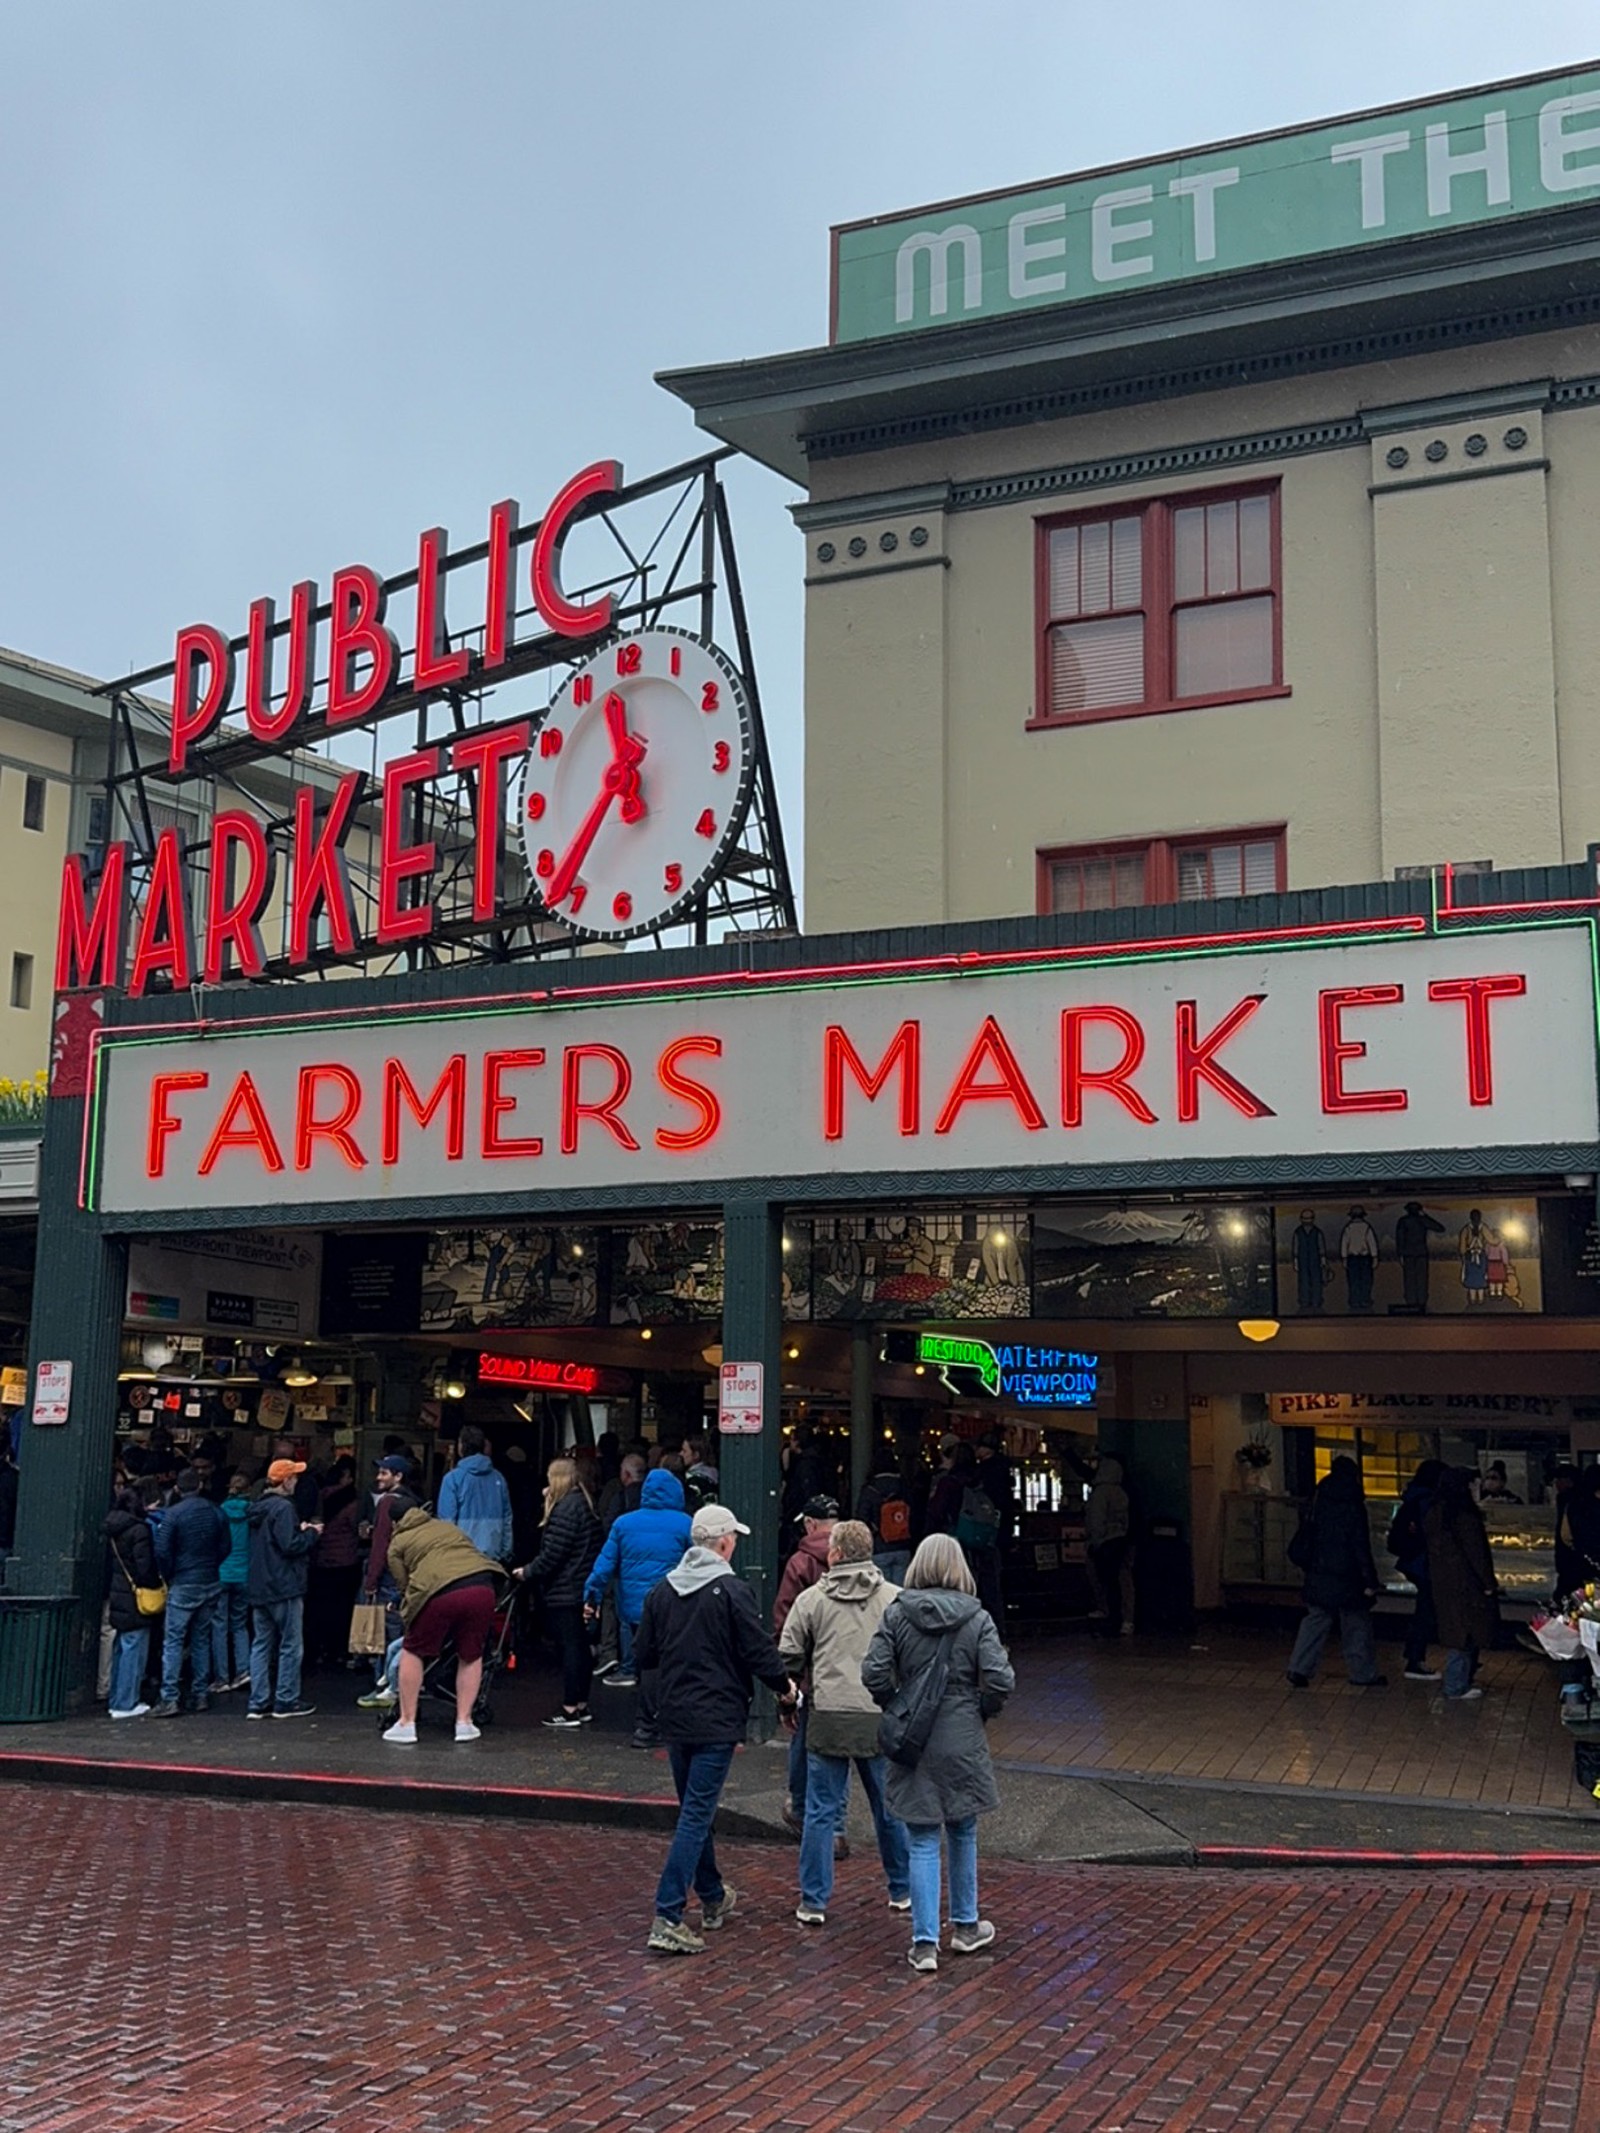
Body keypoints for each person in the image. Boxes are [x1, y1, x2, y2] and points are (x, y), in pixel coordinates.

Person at [635, 1503, 794, 1955]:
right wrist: (785, 1689)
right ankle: (668, 1912)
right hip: (717, 1717)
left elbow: (644, 1653)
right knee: (696, 1813)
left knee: (694, 1807)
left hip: (676, 1716)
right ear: (723, 1542)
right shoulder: (731, 1590)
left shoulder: (662, 1591)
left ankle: (712, 1895)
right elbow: (757, 1652)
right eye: (734, 1539)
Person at [861, 1533, 1014, 1975]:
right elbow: (1001, 1680)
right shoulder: (977, 1617)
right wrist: (981, 1708)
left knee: (922, 1838)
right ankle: (966, 1926)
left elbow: (872, 1672)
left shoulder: (897, 1614)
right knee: (963, 1829)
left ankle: (924, 1943)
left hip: (913, 1737)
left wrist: (896, 1704)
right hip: (962, 1732)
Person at [777, 1519, 909, 1926]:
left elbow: (789, 1655)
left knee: (820, 1811)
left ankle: (814, 1901)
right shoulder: (895, 1598)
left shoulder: (813, 1600)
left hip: (828, 1715)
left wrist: (791, 1699)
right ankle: (902, 1889)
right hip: (878, 1716)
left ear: (834, 1554)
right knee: (888, 1809)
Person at [380, 1504, 508, 1745]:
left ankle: (407, 1723)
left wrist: (409, 1616)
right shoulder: (448, 1528)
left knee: (413, 1650)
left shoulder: (397, 1543)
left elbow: (405, 1585)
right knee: (471, 1654)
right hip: (481, 1586)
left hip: (438, 1592)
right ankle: (464, 1722)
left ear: (395, 1523)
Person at [584, 1467, 692, 1739]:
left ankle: (646, 1722)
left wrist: (591, 1594)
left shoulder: (624, 1523)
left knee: (646, 1661)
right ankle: (653, 1723)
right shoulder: (685, 1523)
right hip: (672, 1604)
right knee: (667, 1663)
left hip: (632, 1608)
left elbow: (604, 1564)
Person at [513, 1455, 603, 1728]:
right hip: (581, 1584)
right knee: (580, 1647)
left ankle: (570, 1708)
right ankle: (581, 1704)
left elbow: (553, 1553)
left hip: (566, 1588)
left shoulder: (565, 1509)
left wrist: (526, 1571)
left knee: (571, 1648)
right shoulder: (584, 1504)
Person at [1285, 1455, 1385, 1689]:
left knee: (1316, 1618)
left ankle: (1299, 1667)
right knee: (1356, 1623)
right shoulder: (1353, 1500)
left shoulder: (1319, 1496)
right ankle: (1362, 1673)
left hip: (1319, 1570)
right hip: (1349, 1575)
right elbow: (1360, 1544)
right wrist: (1370, 1579)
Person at [773, 1495, 840, 1837]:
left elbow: (784, 1621)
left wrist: (789, 1676)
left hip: (812, 1670)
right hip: (846, 1670)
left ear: (810, 1525)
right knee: (843, 1750)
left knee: (802, 1736)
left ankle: (800, 1808)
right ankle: (837, 1829)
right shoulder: (855, 1559)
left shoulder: (800, 1563)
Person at [246, 1457, 322, 1720]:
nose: (297, 1482)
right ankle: (286, 1700)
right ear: (286, 1480)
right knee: (290, 1644)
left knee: (261, 1644)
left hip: (258, 1585)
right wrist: (311, 1533)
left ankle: (258, 1702)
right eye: (295, 1477)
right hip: (283, 1584)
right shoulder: (284, 1508)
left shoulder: (259, 1507)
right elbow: (290, 1545)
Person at [150, 1467, 228, 1718]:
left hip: (183, 1581)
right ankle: (200, 1693)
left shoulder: (172, 1515)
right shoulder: (216, 1511)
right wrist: (212, 1565)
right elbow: (226, 1546)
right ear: (200, 1484)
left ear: (177, 1488)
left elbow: (162, 1551)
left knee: (173, 1640)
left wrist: (171, 1573)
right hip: (210, 1579)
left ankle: (170, 1697)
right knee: (201, 1639)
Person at [1423, 1467, 1501, 1702]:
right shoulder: (1464, 1516)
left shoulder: (1435, 1512)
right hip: (1467, 1584)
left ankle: (1460, 1682)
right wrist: (1488, 1583)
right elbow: (1477, 1553)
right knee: (1466, 1634)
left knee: (1457, 1631)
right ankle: (1456, 1685)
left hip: (1443, 1584)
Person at [356, 1454, 421, 1710]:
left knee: (385, 1635)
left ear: (398, 1476)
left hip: (387, 1577)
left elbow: (382, 1545)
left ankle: (384, 1686)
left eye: (384, 1473)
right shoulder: (413, 1502)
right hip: (405, 1574)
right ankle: (402, 1683)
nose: (378, 1478)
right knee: (403, 1632)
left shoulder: (387, 1503)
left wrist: (370, 1579)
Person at [104, 1485, 160, 1719]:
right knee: (134, 1648)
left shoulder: (111, 1527)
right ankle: (126, 1703)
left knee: (121, 1648)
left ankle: (116, 1698)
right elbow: (144, 1567)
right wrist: (156, 1582)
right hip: (136, 1595)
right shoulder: (139, 1530)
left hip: (118, 1592)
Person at [1387, 1458, 1443, 1682]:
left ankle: (1414, 1657)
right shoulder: (1428, 1500)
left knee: (1425, 1609)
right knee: (1426, 1611)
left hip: (1412, 1562)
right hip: (1424, 1563)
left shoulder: (1412, 1495)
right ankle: (1414, 1659)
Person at [306, 1456, 363, 1670]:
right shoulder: (352, 1503)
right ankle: (339, 1650)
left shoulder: (321, 1497)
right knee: (342, 1609)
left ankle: (320, 1649)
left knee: (321, 1608)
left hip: (321, 1560)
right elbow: (356, 1528)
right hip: (345, 1561)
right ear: (346, 1477)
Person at [437, 1426, 514, 1562]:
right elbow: (507, 1519)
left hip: (462, 1558)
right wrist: (505, 1552)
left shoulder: (452, 1479)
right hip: (493, 1555)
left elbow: (447, 1523)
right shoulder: (498, 1478)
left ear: (461, 1447)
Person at [211, 1472, 253, 1693]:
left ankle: (222, 1677)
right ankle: (243, 1670)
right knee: (239, 1624)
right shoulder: (253, 1513)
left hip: (222, 1573)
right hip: (244, 1573)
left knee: (219, 1625)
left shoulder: (219, 1512)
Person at [1084, 1457, 1133, 1637]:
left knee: (1103, 1580)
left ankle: (1107, 1613)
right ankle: (1126, 1619)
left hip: (1104, 1542)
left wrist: (1095, 1542)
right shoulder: (1121, 1493)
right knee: (1123, 1580)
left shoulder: (1100, 1493)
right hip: (1121, 1539)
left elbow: (1096, 1520)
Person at [856, 1459, 913, 1584]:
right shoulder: (904, 1486)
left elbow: (862, 1518)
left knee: (882, 1593)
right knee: (901, 1591)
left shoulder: (870, 1489)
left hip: (879, 1547)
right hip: (903, 1546)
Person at [1394, 1202, 1446, 1311]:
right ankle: (1421, 1304)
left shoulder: (1403, 1221)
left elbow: (1399, 1239)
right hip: (1421, 1253)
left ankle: (1411, 1304)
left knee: (1409, 1281)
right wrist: (1425, 1216)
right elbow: (1440, 1228)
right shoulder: (1422, 1220)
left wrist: (1400, 1254)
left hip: (1408, 1254)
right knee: (1422, 1280)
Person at [1340, 1207, 1379, 1313]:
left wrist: (1344, 1258)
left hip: (1354, 1258)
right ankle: (1363, 1300)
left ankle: (1356, 1301)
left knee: (1354, 1281)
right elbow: (1372, 1243)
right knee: (1364, 1281)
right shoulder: (1366, 1227)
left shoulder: (1349, 1228)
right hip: (1363, 1258)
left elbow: (1344, 1244)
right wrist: (1374, 1257)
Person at [1290, 1209, 1329, 1312]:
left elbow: (1321, 1248)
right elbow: (1295, 1248)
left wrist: (1323, 1260)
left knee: (1316, 1281)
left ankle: (1316, 1301)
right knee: (1304, 1281)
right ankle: (1305, 1301)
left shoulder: (1317, 1232)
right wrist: (1295, 1261)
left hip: (1315, 1260)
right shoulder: (1298, 1232)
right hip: (1303, 1260)